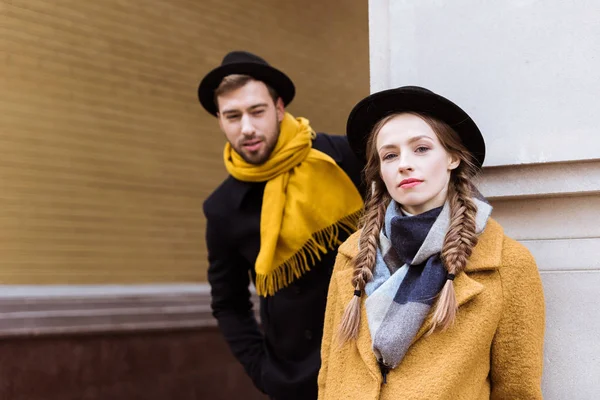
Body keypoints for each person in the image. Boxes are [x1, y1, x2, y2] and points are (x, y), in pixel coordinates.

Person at [317, 86, 545, 399]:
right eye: (390, 155)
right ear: (380, 172)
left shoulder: (506, 263)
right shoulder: (352, 253)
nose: (404, 164)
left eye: (421, 149)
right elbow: (329, 373)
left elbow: (518, 390)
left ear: (452, 157)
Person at [198, 51, 364, 400]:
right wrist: (264, 371)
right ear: (219, 120)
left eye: (256, 111)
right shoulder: (223, 208)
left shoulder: (343, 157)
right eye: (232, 116)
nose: (247, 128)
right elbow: (228, 303)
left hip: (368, 359)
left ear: (279, 107)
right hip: (297, 379)